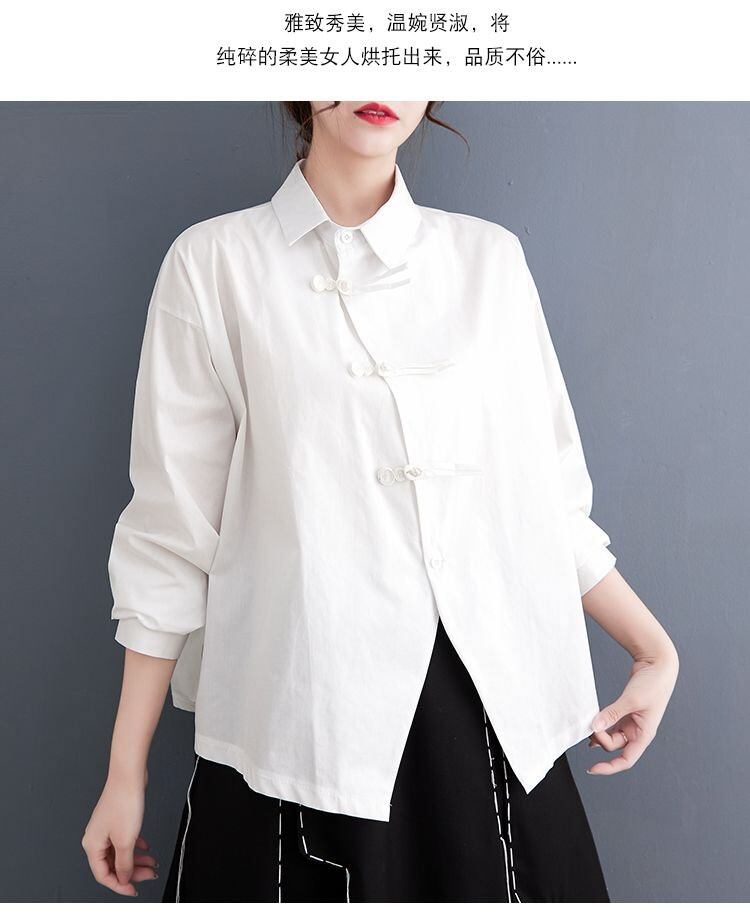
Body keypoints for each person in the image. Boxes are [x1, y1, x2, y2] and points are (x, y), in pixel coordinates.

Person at [81, 101, 679, 903]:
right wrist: (126, 772)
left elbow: (545, 506)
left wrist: (652, 649)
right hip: (301, 713)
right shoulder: (214, 263)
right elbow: (172, 535)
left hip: (486, 717)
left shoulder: (488, 261)